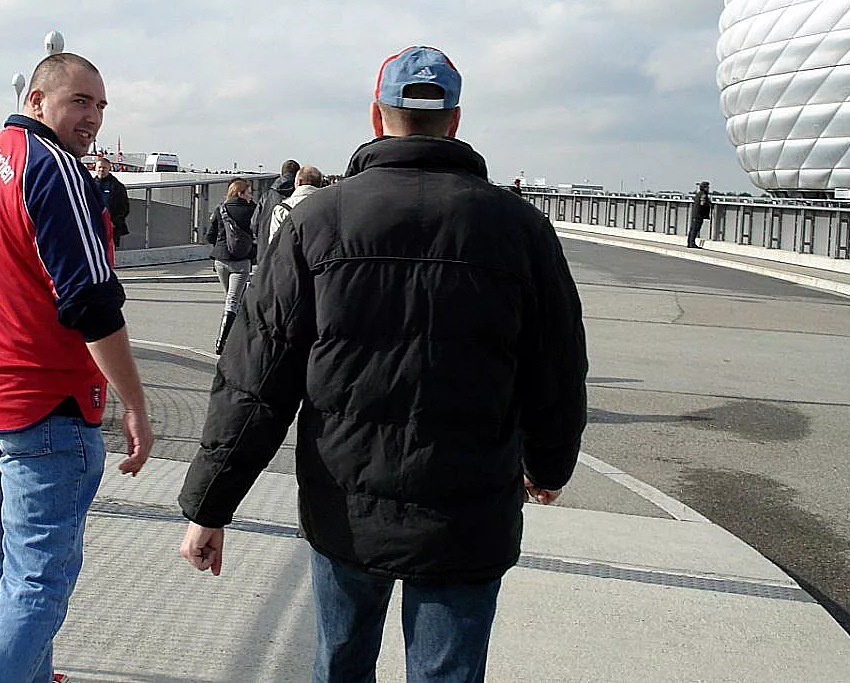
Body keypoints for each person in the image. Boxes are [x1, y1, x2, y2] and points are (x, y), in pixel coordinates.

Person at [178, 45, 588, 683]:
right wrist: (550, 463)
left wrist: (211, 505)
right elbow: (557, 368)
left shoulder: (317, 222)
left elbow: (256, 379)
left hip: (347, 507)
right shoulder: (519, 228)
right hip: (468, 512)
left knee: (340, 666)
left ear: (377, 117)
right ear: (454, 122)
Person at [0, 52, 153, 683]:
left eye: (101, 106)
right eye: (79, 101)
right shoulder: (54, 168)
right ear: (37, 99)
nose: (92, 117)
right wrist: (134, 402)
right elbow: (91, 299)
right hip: (42, 402)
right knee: (39, 585)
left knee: (12, 566)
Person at [205, 177, 256, 354]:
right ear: (240, 193)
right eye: (248, 192)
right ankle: (222, 342)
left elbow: (210, 236)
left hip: (220, 260)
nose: (250, 195)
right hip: (241, 261)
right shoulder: (252, 210)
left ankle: (236, 336)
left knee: (232, 298)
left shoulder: (221, 209)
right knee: (234, 300)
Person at [252, 159, 299, 264]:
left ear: (281, 174)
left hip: (265, 251)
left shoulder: (267, 196)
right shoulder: (300, 196)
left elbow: (254, 223)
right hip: (290, 255)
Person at [268, 164, 324, 243]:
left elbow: (274, 243)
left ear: (298, 182)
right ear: (320, 183)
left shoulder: (282, 209)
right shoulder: (329, 206)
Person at [93, 155, 131, 249]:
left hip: (111, 227)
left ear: (109, 168)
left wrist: (114, 222)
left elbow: (124, 208)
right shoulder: (89, 184)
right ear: (95, 168)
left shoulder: (117, 186)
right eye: (99, 167)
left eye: (104, 168)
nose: (101, 170)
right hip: (93, 226)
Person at [687, 180, 713, 248]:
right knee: (695, 229)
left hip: (695, 214)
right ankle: (692, 243)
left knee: (692, 229)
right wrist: (708, 204)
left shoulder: (698, 194)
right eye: (707, 187)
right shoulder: (703, 195)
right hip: (699, 215)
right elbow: (702, 204)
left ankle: (690, 242)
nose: (708, 189)